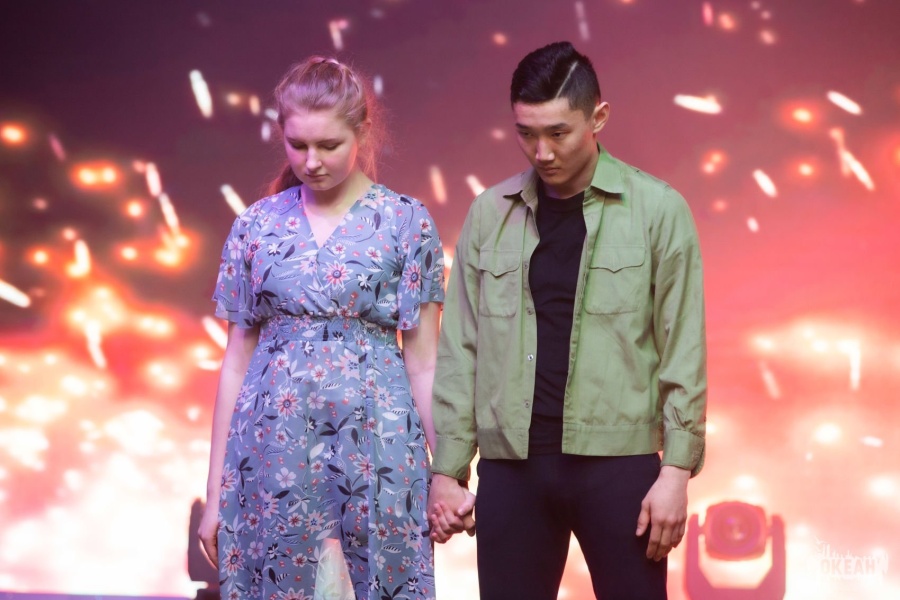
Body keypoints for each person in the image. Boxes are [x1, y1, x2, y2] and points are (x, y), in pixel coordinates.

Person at [427, 41, 707, 599]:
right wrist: (448, 469)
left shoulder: (658, 210)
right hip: (512, 469)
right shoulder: (489, 214)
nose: (542, 151)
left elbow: (684, 349)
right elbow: (461, 348)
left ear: (598, 117)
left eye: (558, 132)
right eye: (526, 133)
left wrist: (676, 472)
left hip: (619, 465)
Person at [198, 56, 444, 600]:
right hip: (272, 451)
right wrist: (215, 494)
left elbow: (425, 362)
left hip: (379, 449)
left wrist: (447, 472)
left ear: (363, 132)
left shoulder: (406, 222)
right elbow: (236, 362)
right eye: (297, 145)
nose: (311, 162)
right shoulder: (255, 226)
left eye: (329, 145)